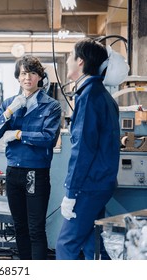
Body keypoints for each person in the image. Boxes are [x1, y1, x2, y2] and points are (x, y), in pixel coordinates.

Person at [0, 56, 62, 260]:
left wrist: (19, 134)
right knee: (19, 227)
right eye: (23, 73)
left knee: (35, 229)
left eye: (32, 73)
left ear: (39, 77)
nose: (28, 77)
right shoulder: (10, 103)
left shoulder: (51, 106)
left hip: (35, 173)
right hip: (13, 173)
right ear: (18, 78)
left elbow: (48, 138)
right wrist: (10, 112)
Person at [55, 38, 123, 260]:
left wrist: (71, 192)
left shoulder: (89, 97)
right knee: (90, 243)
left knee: (66, 245)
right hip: (101, 184)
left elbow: (83, 150)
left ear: (81, 62)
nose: (67, 60)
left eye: (70, 56)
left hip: (88, 186)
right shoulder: (103, 96)